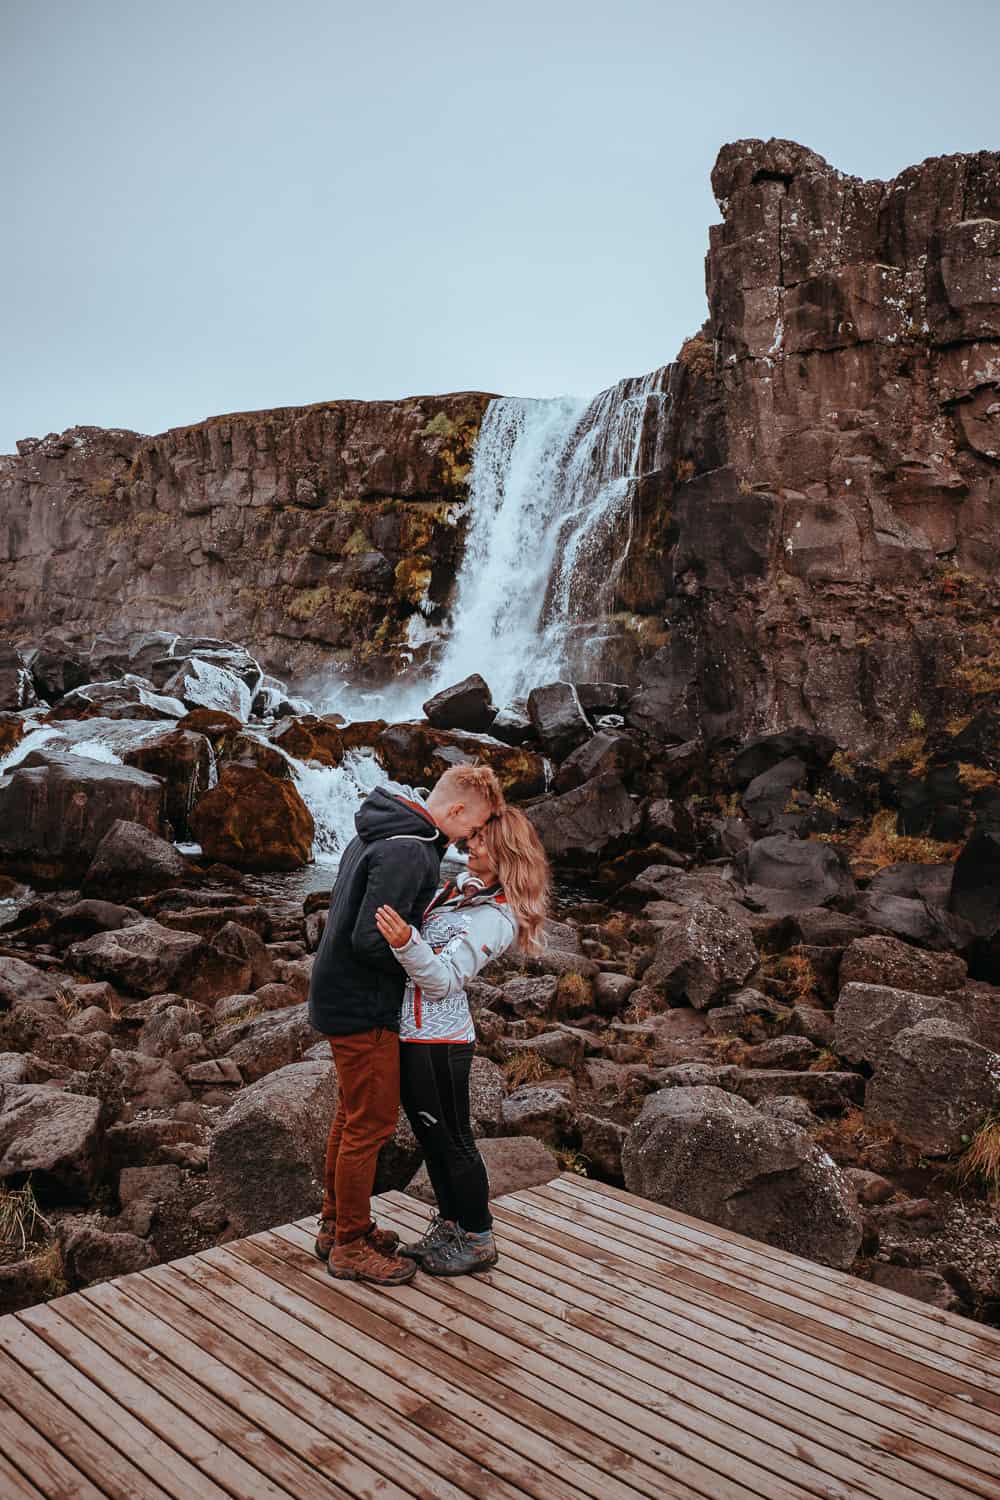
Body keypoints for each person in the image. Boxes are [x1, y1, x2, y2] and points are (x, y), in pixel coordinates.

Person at [308, 762, 504, 1285]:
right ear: (457, 809)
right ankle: (350, 1244)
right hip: (363, 1005)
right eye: (471, 828)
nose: (467, 842)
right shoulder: (411, 850)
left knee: (351, 1117)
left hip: (338, 994)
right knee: (369, 1125)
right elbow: (370, 940)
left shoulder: (383, 828)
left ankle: (337, 1225)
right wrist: (416, 949)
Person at [375, 804, 550, 1275]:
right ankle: (451, 1227)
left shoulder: (499, 916)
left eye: (481, 840)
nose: (470, 844)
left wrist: (403, 942)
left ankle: (477, 1236)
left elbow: (445, 980)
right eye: (471, 837)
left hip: (441, 1042)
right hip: (414, 1035)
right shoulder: (460, 894)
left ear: (507, 851)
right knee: (432, 1140)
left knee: (452, 1140)